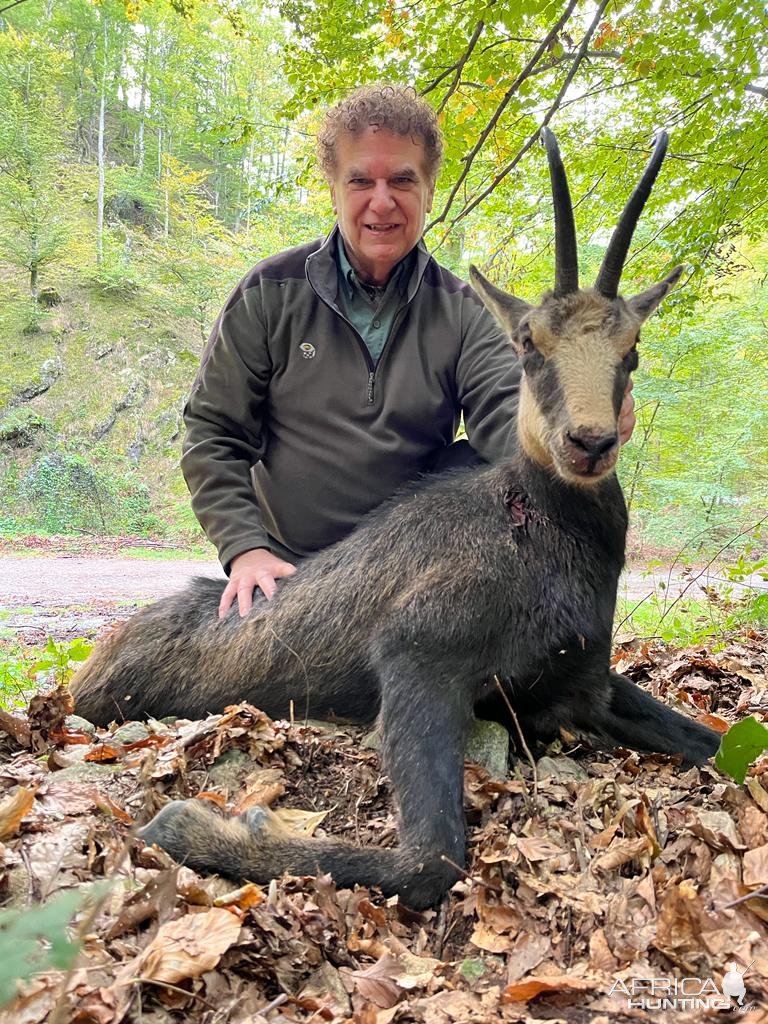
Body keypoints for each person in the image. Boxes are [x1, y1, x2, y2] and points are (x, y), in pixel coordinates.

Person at [181, 84, 635, 618]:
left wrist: (574, 416)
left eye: (402, 179)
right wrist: (245, 549)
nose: (382, 201)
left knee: (487, 467)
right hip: (291, 568)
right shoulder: (269, 294)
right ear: (334, 189)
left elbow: (506, 424)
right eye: (360, 181)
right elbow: (213, 435)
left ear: (428, 190)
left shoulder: (462, 311)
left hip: (411, 567)